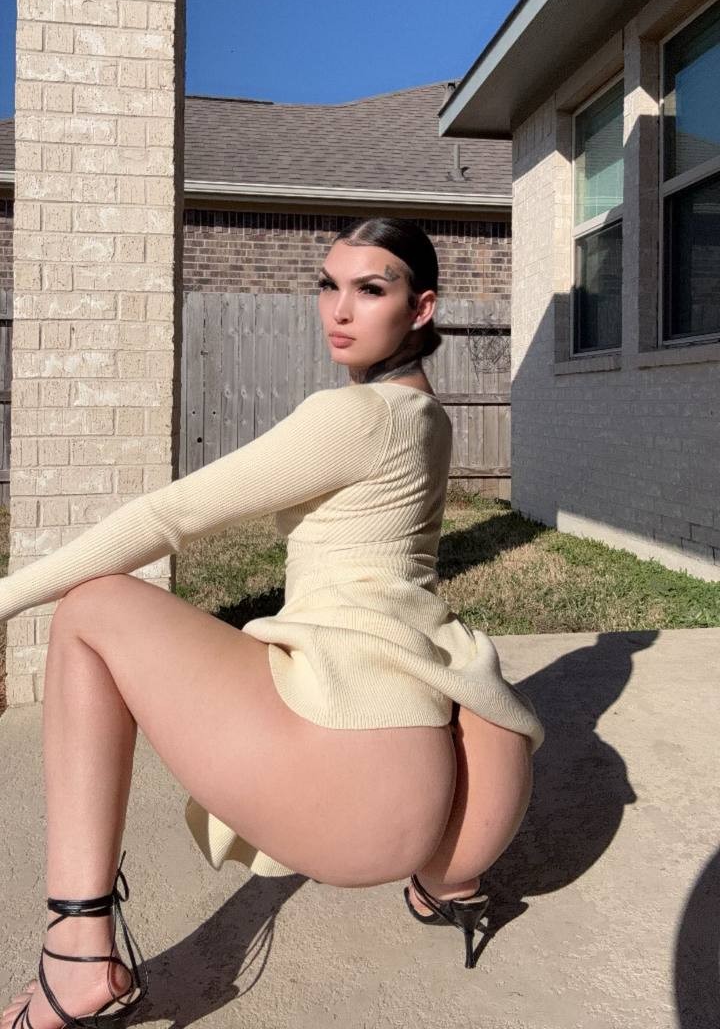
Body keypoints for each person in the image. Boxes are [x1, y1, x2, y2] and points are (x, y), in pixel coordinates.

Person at [0, 216, 543, 1028]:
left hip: (359, 798)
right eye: (329, 286)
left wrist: (6, 596)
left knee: (92, 608)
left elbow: (169, 516)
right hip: (460, 799)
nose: (339, 310)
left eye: (371, 289)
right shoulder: (428, 415)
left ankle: (77, 953)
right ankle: (442, 887)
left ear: (421, 308)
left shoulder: (356, 416)